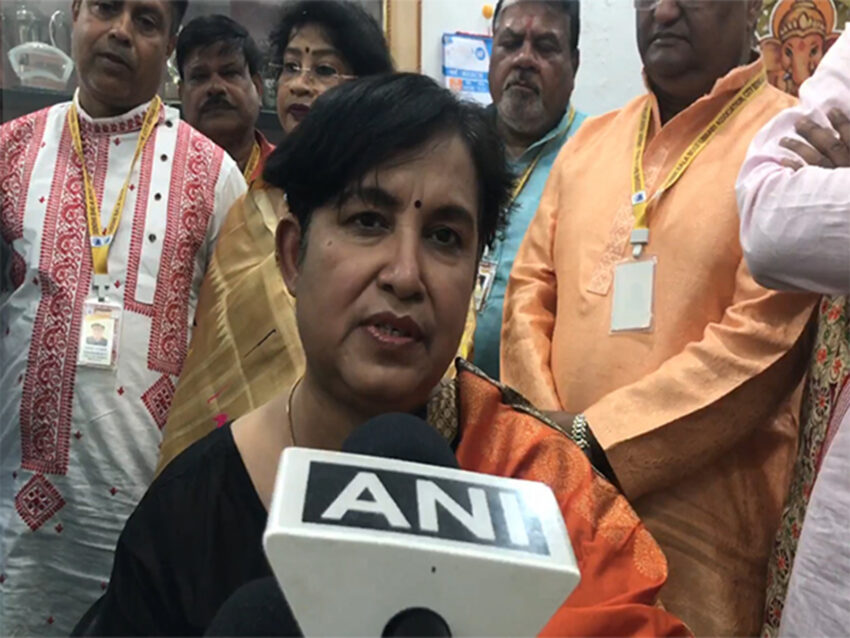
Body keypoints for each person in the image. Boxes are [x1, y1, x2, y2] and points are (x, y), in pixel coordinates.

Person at [84, 73, 690, 638]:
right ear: (293, 257)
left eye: (445, 237)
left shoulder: (545, 494)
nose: (405, 275)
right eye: (368, 221)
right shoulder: (187, 517)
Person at [500, 0, 819, 634]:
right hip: (556, 514)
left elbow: (764, 341)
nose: (663, 10)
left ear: (753, 9)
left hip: (696, 545)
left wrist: (593, 441)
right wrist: (548, 442)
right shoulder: (590, 143)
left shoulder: (790, 149)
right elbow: (528, 293)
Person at [0, 0, 246, 634]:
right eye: (106, 7)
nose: (120, 32)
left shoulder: (215, 178)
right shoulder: (11, 153)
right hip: (14, 518)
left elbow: (243, 359)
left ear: (169, 44)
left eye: (146, 20)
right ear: (74, 13)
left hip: (152, 516)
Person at [157, 0, 402, 473]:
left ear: (368, 87)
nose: (300, 84)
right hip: (249, 454)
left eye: (323, 69)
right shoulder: (255, 203)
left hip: (359, 441)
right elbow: (216, 352)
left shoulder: (389, 201)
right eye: (291, 66)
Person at [736, 27, 850, 637]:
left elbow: (749, 342)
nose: (664, 11)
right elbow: (771, 223)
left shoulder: (761, 115)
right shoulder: (598, 140)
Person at [471, 0, 586, 379]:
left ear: (574, 65)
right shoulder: (451, 143)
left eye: (545, 47)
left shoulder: (599, 154)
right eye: (510, 43)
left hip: (543, 404)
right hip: (432, 392)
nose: (524, 59)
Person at [177, 14, 273, 185]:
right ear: (181, 95)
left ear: (258, 88)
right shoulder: (159, 178)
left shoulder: (291, 173)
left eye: (229, 73)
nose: (215, 87)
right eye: (200, 76)